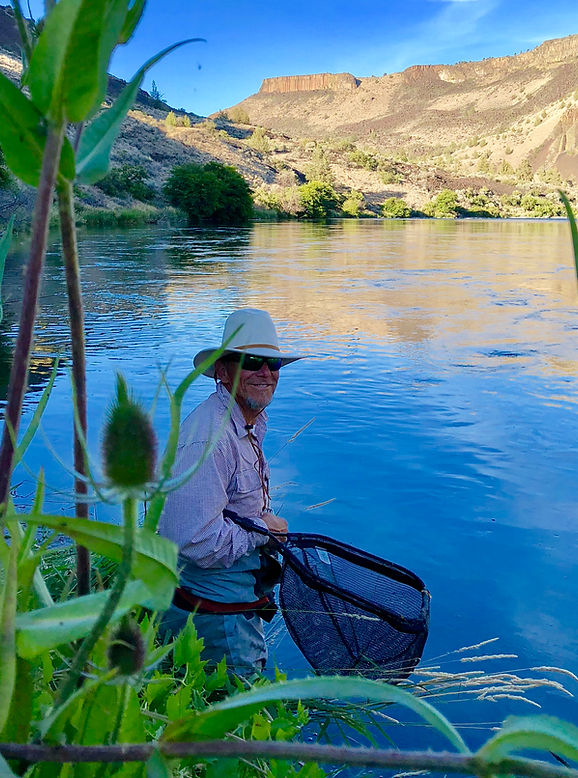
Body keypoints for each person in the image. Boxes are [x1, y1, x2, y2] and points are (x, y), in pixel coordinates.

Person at [158, 308, 304, 675]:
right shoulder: (209, 438)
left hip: (233, 597)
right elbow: (192, 541)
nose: (266, 372)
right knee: (238, 718)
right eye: (252, 362)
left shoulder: (248, 419)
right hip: (216, 612)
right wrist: (261, 532)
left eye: (272, 363)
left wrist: (259, 528)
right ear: (223, 372)